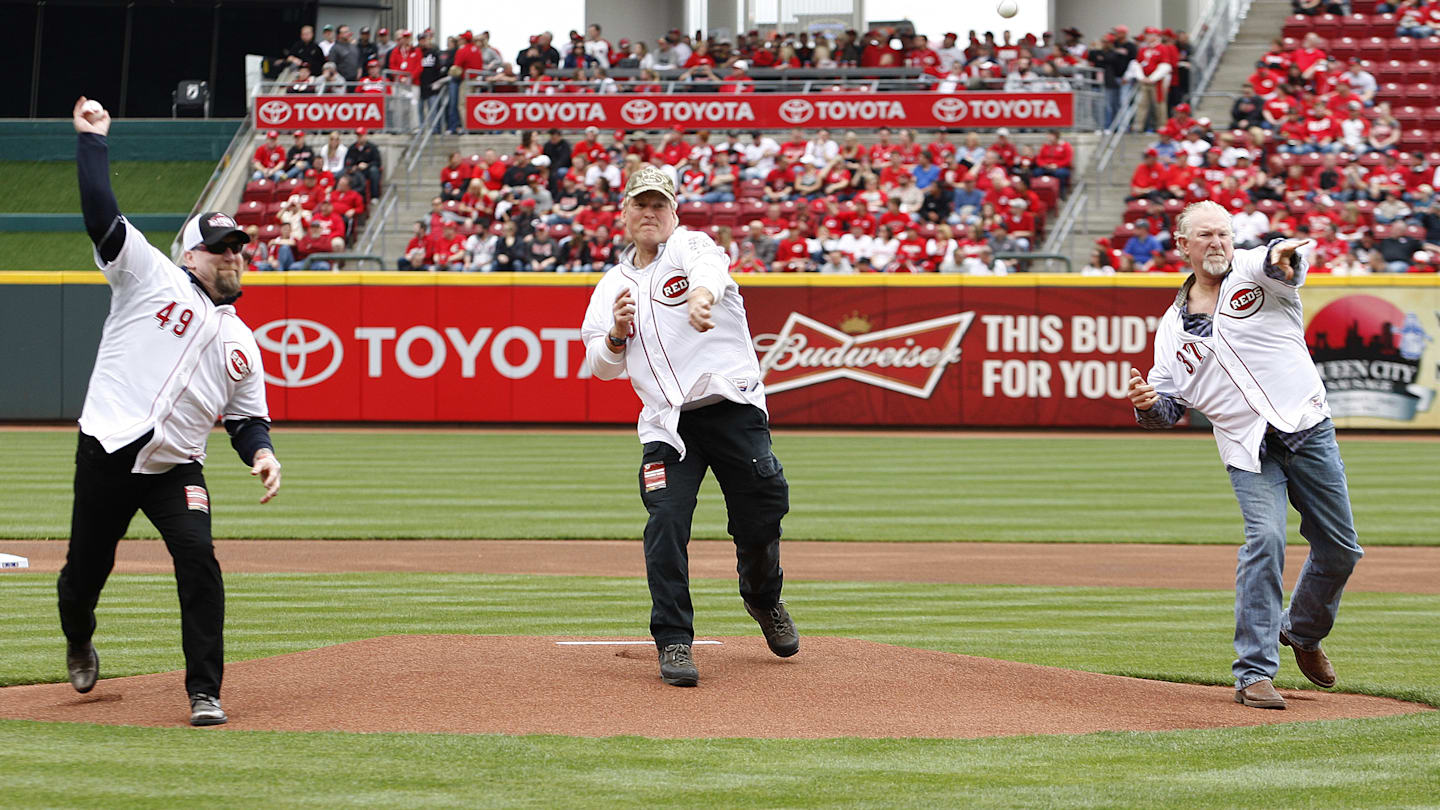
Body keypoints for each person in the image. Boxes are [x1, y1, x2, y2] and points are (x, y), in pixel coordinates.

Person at [62, 98, 281, 726]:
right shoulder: (149, 278)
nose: (233, 256)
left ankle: (204, 690)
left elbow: (246, 419)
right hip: (106, 450)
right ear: (191, 255)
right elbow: (102, 214)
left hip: (176, 468)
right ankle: (78, 636)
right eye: (220, 249)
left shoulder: (243, 341)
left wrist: (262, 453)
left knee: (199, 559)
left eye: (238, 248)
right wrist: (93, 141)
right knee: (85, 570)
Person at [1127, 200, 1363, 710]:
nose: (1218, 243)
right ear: (1182, 244)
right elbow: (1169, 406)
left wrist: (1284, 253)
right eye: (1206, 235)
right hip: (1246, 447)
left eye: (1225, 233)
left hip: (1305, 429)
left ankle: (1302, 632)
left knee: (1341, 550)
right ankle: (1254, 673)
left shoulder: (1256, 274)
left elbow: (1281, 259)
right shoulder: (1171, 328)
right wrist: (1149, 404)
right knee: (1266, 540)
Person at [580, 166, 798, 687]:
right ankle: (675, 640)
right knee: (665, 527)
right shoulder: (612, 285)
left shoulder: (691, 245)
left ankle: (763, 598)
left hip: (730, 409)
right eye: (640, 204)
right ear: (625, 214)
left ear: (674, 211)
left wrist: (701, 297)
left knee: (761, 515)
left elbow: (709, 268)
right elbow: (600, 365)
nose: (650, 212)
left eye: (659, 204)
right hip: (666, 425)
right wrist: (614, 335)